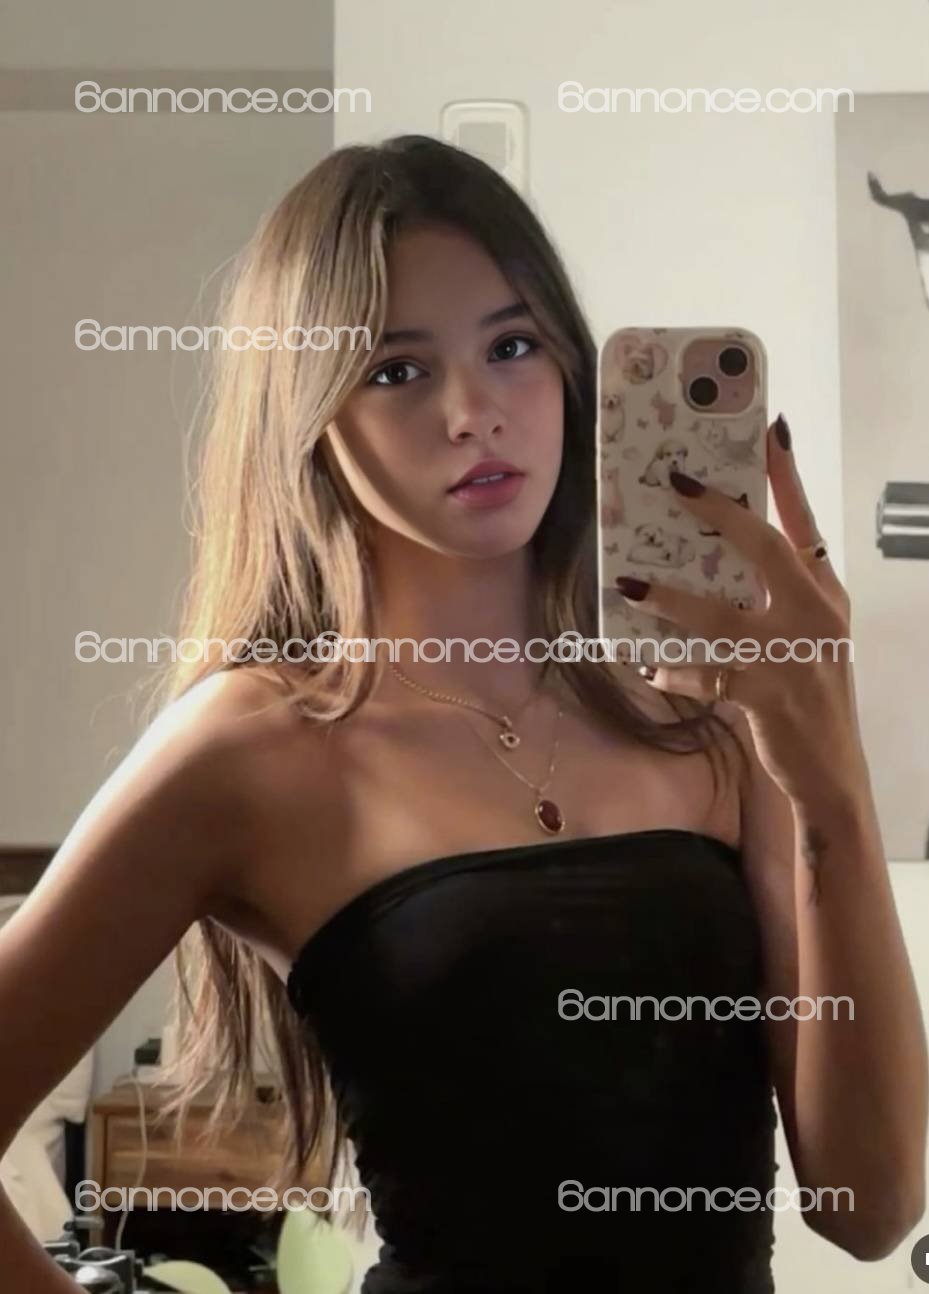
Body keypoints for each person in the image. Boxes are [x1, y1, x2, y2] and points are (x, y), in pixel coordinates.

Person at [1, 135, 925, 1293]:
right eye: (397, 369)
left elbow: (869, 1204)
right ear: (307, 412)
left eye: (511, 345)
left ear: (569, 366)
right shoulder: (252, 748)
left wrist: (828, 770)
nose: (471, 412)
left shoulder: (708, 706)